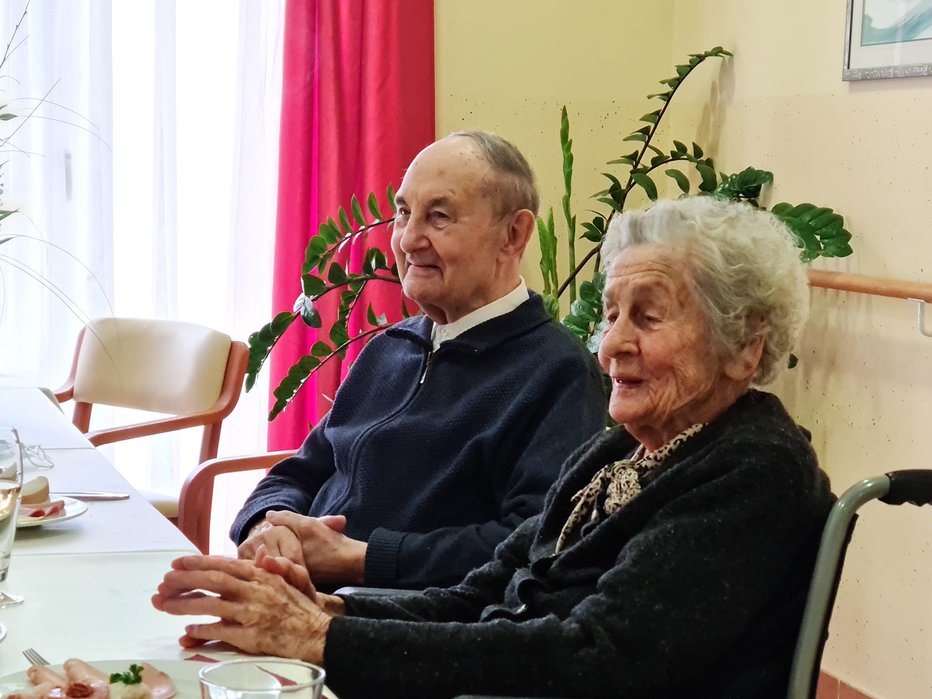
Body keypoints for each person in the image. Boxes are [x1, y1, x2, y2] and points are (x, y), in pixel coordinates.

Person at [154, 196, 833, 699]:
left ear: (745, 344)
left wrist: (321, 637)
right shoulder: (618, 453)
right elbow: (483, 593)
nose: (612, 343)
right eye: (612, 313)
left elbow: (594, 652)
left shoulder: (755, 467)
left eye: (648, 316)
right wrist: (326, 609)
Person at [231, 130, 607, 590]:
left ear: (514, 234)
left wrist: (363, 560)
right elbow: (299, 472)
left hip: (400, 628)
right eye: (403, 213)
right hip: (292, 590)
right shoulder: (390, 349)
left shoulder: (557, 373)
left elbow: (535, 541)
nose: (408, 240)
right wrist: (266, 529)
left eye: (439, 217)